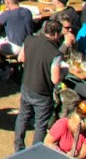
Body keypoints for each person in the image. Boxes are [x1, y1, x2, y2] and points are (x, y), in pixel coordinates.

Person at [15, 18, 67, 152]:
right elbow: (55, 79)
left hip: (27, 86)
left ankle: (18, 146)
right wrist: (64, 71)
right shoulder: (56, 54)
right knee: (40, 125)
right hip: (42, 94)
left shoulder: (29, 40)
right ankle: (34, 153)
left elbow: (20, 58)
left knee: (23, 117)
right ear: (56, 35)